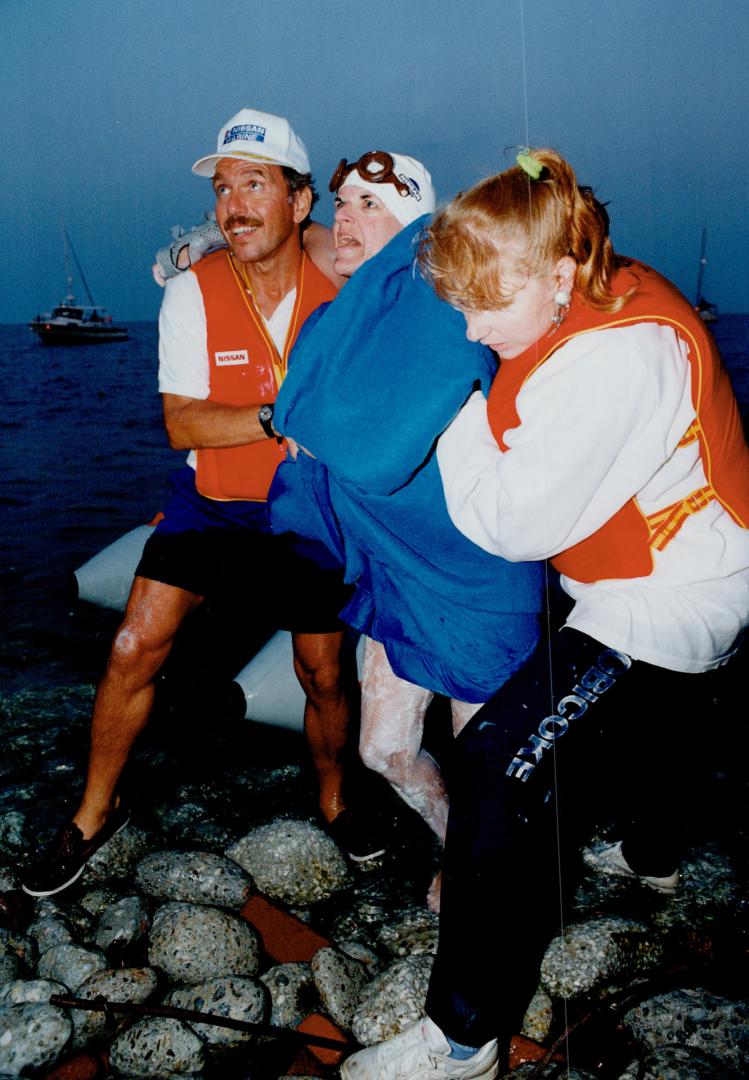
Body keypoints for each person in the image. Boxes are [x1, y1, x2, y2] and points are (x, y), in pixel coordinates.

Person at [339, 148, 749, 1079]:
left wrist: (452, 417)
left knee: (493, 765)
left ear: (558, 274)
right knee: (657, 728)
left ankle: (460, 1038)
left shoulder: (614, 358)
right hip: (674, 565)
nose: (475, 332)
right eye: (463, 309)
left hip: (669, 599)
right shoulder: (582, 274)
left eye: (489, 308)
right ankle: (651, 854)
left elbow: (513, 526)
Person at [21, 108, 369, 898]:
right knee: (131, 645)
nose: (234, 204)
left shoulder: (347, 287)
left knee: (321, 672)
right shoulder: (191, 291)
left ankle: (337, 801)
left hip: (312, 510)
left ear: (300, 201)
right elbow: (184, 421)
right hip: (211, 503)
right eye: (222, 189)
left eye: (254, 184)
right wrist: (286, 414)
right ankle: (91, 815)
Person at [270, 154, 544, 910]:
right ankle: (462, 846)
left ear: (417, 222)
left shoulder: (441, 300)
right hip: (394, 572)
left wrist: (309, 423)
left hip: (473, 578)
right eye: (341, 203)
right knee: (382, 749)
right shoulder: (345, 318)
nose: (346, 217)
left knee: (487, 762)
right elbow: (298, 418)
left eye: (367, 203)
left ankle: (495, 908)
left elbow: (364, 446)